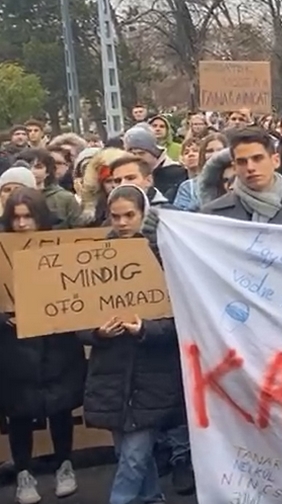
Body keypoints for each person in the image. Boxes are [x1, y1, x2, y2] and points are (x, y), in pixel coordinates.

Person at [84, 185, 185, 504]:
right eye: (116, 216)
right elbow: (73, 320)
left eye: (130, 215)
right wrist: (98, 333)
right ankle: (153, 497)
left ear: (143, 214)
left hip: (151, 376)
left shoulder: (165, 257)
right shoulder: (91, 261)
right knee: (128, 454)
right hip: (110, 376)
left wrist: (145, 329)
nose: (123, 222)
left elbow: (179, 319)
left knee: (133, 456)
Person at [0, 187, 85, 504]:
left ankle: (65, 465)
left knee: (60, 407)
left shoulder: (61, 246)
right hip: (14, 347)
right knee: (18, 412)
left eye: (28, 217)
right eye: (16, 218)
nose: (22, 224)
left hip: (56, 342)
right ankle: (24, 473)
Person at [200, 128, 282, 227]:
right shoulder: (213, 215)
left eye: (258, 159)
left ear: (276, 160)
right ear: (234, 167)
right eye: (242, 161)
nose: (250, 167)